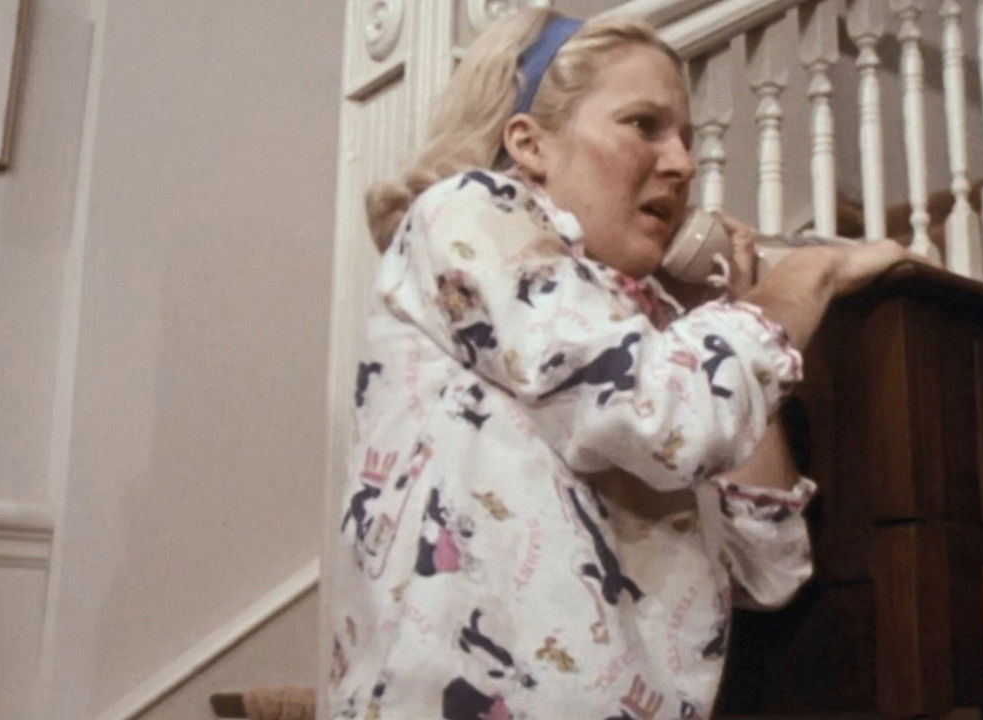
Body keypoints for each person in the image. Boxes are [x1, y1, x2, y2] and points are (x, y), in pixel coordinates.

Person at [329, 9, 916, 719]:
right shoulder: (466, 210)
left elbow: (769, 568)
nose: (683, 164)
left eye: (686, 139)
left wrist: (724, 318)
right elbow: (667, 418)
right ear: (530, 143)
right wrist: (806, 277)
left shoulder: (642, 333)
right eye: (644, 125)